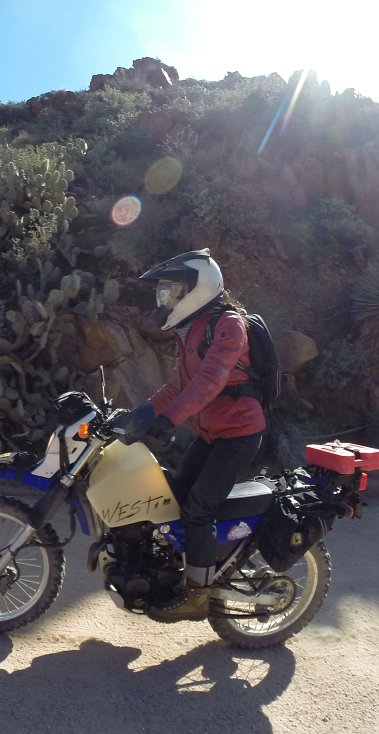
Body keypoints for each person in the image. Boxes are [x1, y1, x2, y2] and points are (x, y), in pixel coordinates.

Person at [112, 248, 266, 622]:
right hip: (211, 433)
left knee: (199, 510)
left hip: (239, 435)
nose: (166, 298)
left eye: (174, 290)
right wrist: (141, 414)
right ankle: (176, 567)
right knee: (175, 494)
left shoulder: (229, 325)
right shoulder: (193, 330)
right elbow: (178, 386)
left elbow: (210, 381)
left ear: (200, 287)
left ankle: (197, 596)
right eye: (164, 291)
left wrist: (170, 421)